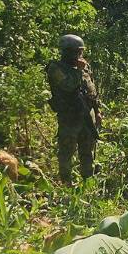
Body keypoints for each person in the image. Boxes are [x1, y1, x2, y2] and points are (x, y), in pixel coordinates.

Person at [46, 34, 100, 183]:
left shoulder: (83, 67)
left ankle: (88, 181)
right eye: (77, 51)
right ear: (67, 51)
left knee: (87, 151)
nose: (80, 55)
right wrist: (78, 70)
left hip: (86, 115)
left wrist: (97, 111)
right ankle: (66, 184)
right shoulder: (55, 68)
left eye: (81, 51)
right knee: (66, 152)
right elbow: (68, 86)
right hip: (69, 117)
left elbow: (92, 91)